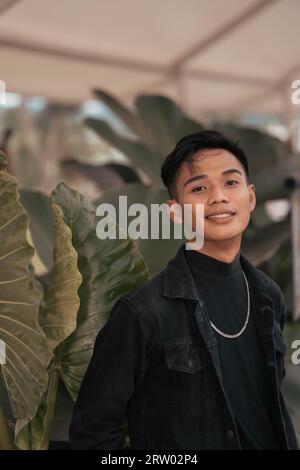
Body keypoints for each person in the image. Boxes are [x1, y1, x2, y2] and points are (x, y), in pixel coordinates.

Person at [69, 130, 298, 450]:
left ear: (251, 197)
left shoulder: (268, 296)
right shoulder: (144, 312)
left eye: (231, 183)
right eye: (200, 188)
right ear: (175, 212)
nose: (219, 196)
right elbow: (92, 431)